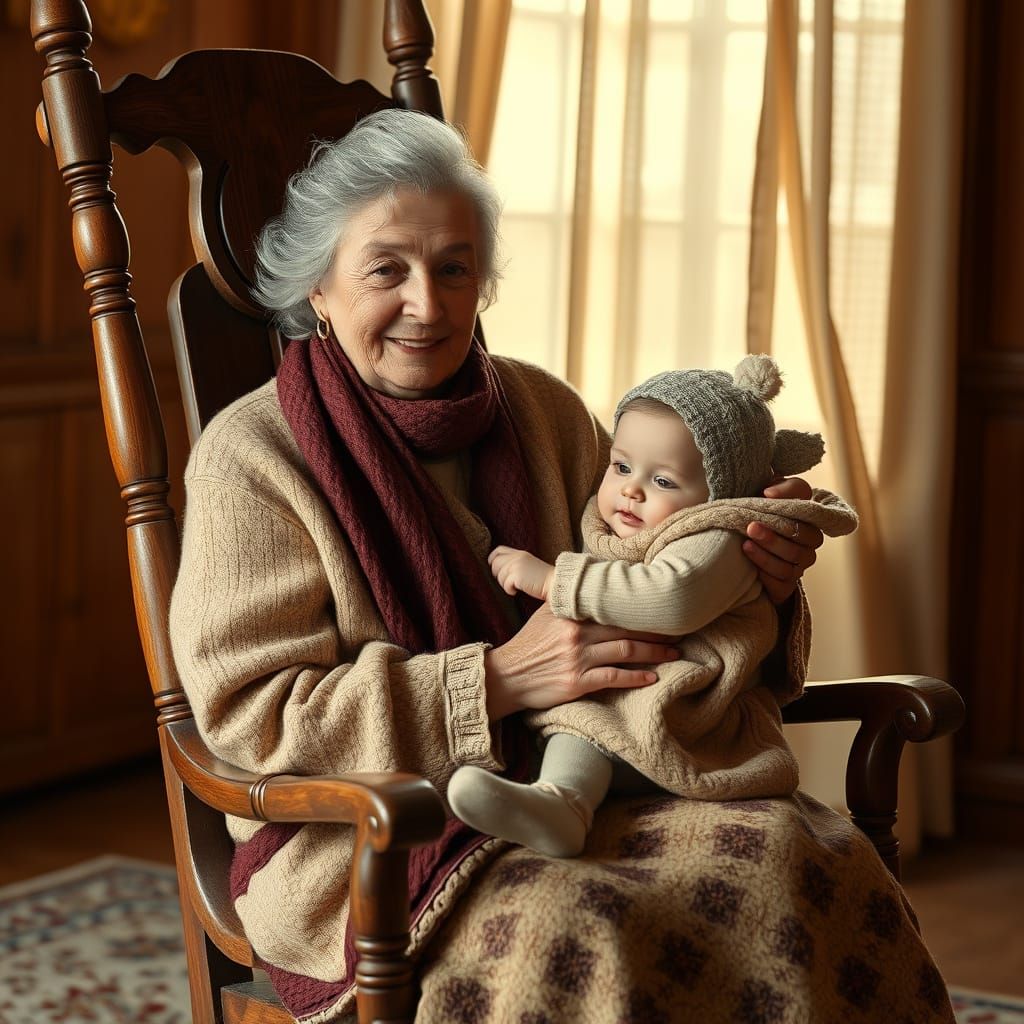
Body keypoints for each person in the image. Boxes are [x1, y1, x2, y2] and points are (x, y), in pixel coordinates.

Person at [169, 108, 953, 1023]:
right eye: (387, 268)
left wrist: (754, 573)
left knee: (808, 855)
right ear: (320, 291)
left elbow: (652, 581)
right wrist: (496, 680)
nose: (428, 302)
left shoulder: (545, 409)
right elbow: (249, 722)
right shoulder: (251, 456)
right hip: (370, 839)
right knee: (575, 929)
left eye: (454, 267)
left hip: (610, 769)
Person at [447, 355, 859, 857]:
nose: (631, 489)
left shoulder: (718, 536)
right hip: (630, 701)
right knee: (584, 722)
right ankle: (560, 804)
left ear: (720, 494)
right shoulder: (621, 522)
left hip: (692, 712)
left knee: (590, 721)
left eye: (663, 481)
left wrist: (552, 579)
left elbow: (671, 598)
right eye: (620, 466)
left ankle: (563, 801)